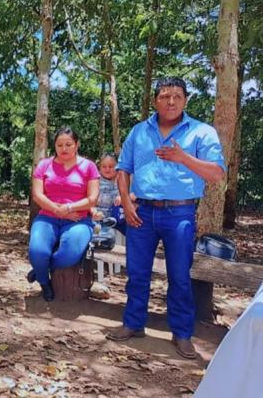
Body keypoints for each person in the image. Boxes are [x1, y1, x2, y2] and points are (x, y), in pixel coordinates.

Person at [106, 77, 226, 360]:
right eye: (164, 96)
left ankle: (182, 334)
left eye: (176, 96)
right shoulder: (139, 132)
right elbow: (123, 168)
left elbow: (217, 174)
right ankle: (133, 323)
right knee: (137, 272)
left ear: (185, 100)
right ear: (155, 100)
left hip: (180, 212)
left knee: (179, 276)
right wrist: (125, 201)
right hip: (142, 211)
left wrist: (183, 157)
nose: (170, 101)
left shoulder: (201, 132)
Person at [27, 127, 100, 301]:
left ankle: (39, 269)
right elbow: (37, 195)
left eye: (68, 144)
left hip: (79, 219)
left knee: (71, 252)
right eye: (60, 145)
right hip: (48, 216)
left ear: (77, 145)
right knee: (37, 250)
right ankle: (44, 281)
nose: (64, 149)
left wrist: (69, 209)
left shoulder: (88, 166)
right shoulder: (44, 165)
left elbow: (93, 198)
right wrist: (58, 210)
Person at [91, 152, 132, 235]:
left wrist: (123, 197)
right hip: (99, 219)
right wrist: (93, 211)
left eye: (111, 166)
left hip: (120, 219)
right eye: (104, 167)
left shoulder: (125, 180)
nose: (107, 169)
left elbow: (134, 195)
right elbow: (89, 200)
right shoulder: (95, 181)